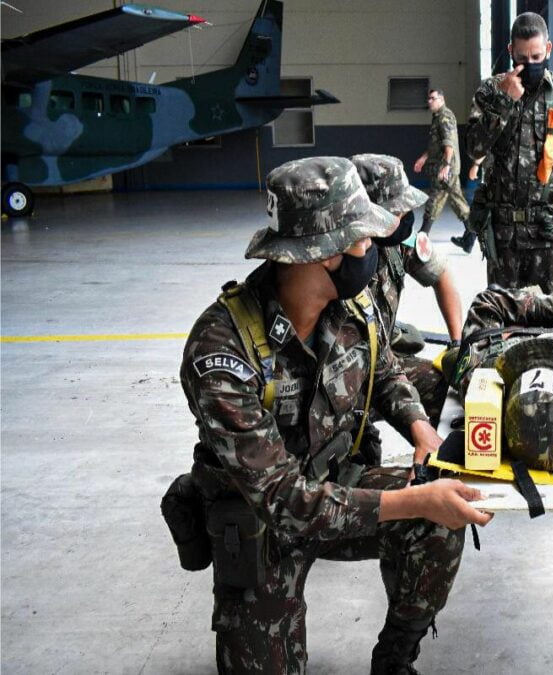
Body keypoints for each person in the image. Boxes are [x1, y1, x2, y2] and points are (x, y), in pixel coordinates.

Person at [178, 156, 491, 674]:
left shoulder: (355, 306)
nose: (374, 248)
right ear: (324, 253)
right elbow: (284, 500)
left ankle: (394, 659)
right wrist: (411, 498)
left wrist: (419, 427)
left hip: (334, 482)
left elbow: (385, 370)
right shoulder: (222, 349)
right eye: (364, 238)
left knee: (435, 525)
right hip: (263, 523)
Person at [466, 11, 553, 292]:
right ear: (511, 51)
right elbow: (474, 148)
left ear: (548, 49)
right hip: (503, 234)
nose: (530, 64)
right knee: (502, 316)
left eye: (537, 57)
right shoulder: (491, 91)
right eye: (522, 59)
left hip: (546, 234)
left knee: (545, 319)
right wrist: (504, 101)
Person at [351, 153, 462, 428]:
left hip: (383, 367)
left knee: (450, 396)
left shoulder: (397, 242)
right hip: (343, 381)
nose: (405, 216)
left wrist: (457, 343)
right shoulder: (334, 260)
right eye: (397, 209)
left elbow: (442, 275)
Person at [414, 89, 470, 238]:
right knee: (456, 199)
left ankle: (423, 234)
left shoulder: (445, 116)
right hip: (445, 166)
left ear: (442, 99)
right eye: (428, 98)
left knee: (435, 199)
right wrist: (423, 158)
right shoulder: (437, 117)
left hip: (446, 168)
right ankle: (471, 234)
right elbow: (436, 145)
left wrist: (446, 166)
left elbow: (449, 144)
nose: (429, 101)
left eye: (433, 98)